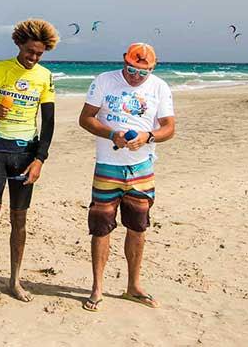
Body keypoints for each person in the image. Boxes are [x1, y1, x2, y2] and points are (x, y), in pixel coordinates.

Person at [0, 19, 58, 309]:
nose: (34, 58)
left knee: (20, 220)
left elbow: (49, 122)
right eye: (30, 52)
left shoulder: (45, 76)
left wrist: (40, 159)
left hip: (25, 154)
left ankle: (14, 280)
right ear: (19, 45)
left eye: (39, 54)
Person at [78, 43, 175, 311]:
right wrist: (113, 135)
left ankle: (133, 286)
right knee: (100, 227)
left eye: (142, 72)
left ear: (152, 68)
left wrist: (148, 137)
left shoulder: (159, 87)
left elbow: (169, 127)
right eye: (131, 68)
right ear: (124, 60)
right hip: (108, 165)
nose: (135, 75)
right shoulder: (104, 81)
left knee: (138, 227)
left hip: (142, 167)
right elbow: (85, 118)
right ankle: (97, 287)